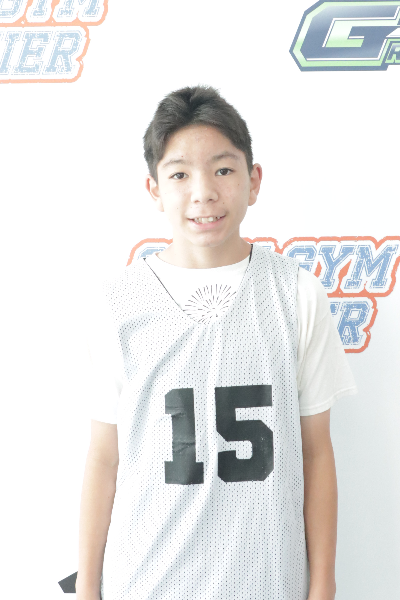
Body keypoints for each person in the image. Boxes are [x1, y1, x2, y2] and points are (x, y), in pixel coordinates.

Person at [76, 85, 357, 600]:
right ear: (154, 190)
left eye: (223, 170)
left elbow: (316, 453)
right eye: (179, 174)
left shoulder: (296, 294)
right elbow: (103, 458)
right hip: (147, 581)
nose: (203, 192)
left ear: (254, 181)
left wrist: (323, 586)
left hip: (267, 581)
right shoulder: (117, 304)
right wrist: (88, 588)